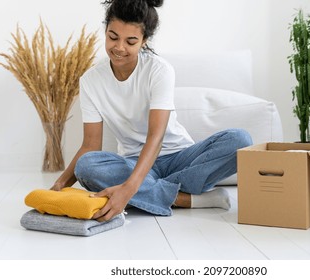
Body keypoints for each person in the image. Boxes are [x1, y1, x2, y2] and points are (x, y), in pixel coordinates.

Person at [51, 0, 253, 222]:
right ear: (105, 31)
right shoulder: (90, 81)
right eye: (113, 37)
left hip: (178, 157)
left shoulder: (159, 70)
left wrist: (128, 189)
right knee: (87, 167)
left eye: (131, 41)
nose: (119, 47)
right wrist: (59, 185)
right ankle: (189, 199)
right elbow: (90, 146)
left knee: (240, 140)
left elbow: (155, 138)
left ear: (144, 41)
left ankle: (148, 193)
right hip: (133, 163)